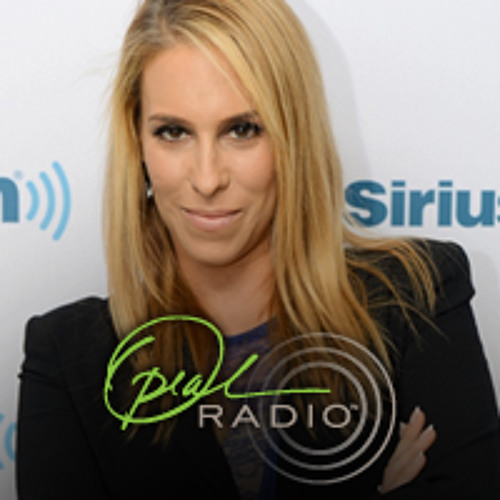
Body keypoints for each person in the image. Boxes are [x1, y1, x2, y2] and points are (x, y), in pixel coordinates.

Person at [16, 0, 499, 498]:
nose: (207, 179)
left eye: (242, 130)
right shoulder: (68, 358)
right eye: (174, 132)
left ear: (294, 138)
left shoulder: (417, 298)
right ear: (137, 143)